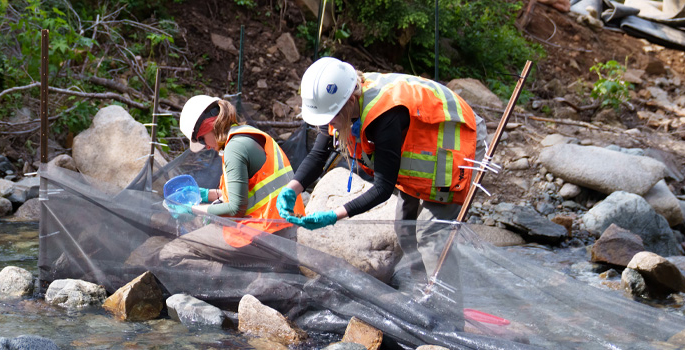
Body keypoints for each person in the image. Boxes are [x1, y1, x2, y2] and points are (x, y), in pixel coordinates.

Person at [278, 57, 487, 328]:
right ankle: (423, 298)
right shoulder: (337, 105)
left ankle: (449, 321)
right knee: (403, 227)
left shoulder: (385, 115)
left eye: (330, 116)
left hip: (455, 144)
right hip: (420, 150)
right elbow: (320, 152)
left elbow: (383, 188)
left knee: (431, 233)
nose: (327, 122)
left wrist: (333, 215)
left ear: (350, 100)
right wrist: (292, 189)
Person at [156, 95, 305, 284]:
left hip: (265, 235)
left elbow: (236, 208)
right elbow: (250, 193)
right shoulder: (247, 135)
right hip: (283, 231)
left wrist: (193, 208)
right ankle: (255, 275)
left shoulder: (234, 149)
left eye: (202, 140)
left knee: (171, 253)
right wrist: (206, 195)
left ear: (208, 126)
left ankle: (245, 281)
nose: (205, 147)